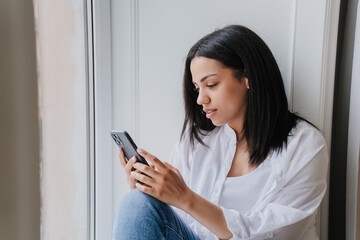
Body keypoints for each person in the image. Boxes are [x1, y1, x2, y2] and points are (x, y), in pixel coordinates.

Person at [112, 25, 329, 240]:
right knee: (137, 202)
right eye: (197, 88)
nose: (200, 99)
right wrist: (148, 193)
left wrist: (186, 198)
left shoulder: (305, 145)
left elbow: (272, 234)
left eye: (212, 84)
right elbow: (175, 223)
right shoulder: (195, 142)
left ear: (248, 78)